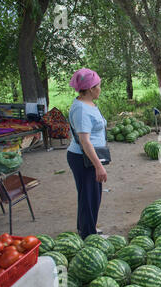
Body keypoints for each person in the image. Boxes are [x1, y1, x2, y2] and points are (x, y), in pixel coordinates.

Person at [67, 68, 107, 240]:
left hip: (90, 156)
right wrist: (98, 166)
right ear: (91, 88)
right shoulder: (81, 109)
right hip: (83, 158)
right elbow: (85, 141)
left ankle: (85, 228)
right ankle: (89, 236)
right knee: (89, 197)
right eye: (99, 86)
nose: (100, 89)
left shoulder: (88, 104)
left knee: (91, 196)